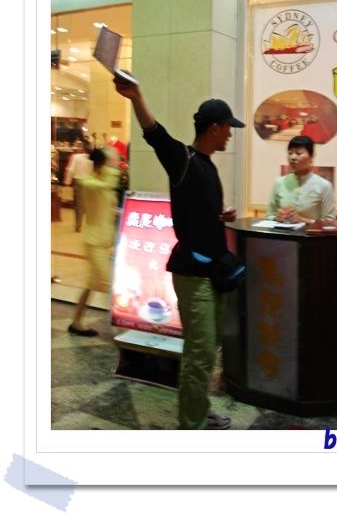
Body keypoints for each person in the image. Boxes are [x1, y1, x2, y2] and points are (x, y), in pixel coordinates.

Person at [113, 74, 245, 430]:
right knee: (199, 352)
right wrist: (136, 97)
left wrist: (219, 215)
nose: (230, 135)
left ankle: (198, 408)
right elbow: (155, 134)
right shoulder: (182, 159)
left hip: (212, 272)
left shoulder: (207, 165)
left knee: (207, 349)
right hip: (193, 274)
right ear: (214, 128)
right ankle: (191, 425)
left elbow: (197, 210)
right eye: (228, 128)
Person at [68, 148, 120, 337]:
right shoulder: (89, 183)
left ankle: (76, 322)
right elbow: (107, 183)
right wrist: (112, 166)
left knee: (91, 284)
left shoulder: (101, 182)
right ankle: (123, 329)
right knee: (109, 284)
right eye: (109, 162)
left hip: (104, 241)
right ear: (101, 164)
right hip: (94, 242)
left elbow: (109, 201)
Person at [266, 135, 336, 224]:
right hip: (282, 232)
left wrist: (302, 220)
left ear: (311, 156)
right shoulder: (279, 182)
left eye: (298, 153)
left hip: (310, 233)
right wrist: (277, 218)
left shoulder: (324, 186)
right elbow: (270, 215)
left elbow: (329, 222)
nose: (293, 157)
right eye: (290, 153)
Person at [64, 139, 93, 232]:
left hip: (79, 182)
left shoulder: (76, 157)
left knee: (78, 205)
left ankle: (78, 225)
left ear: (83, 148)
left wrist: (67, 182)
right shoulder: (92, 159)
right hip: (89, 182)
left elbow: (71, 170)